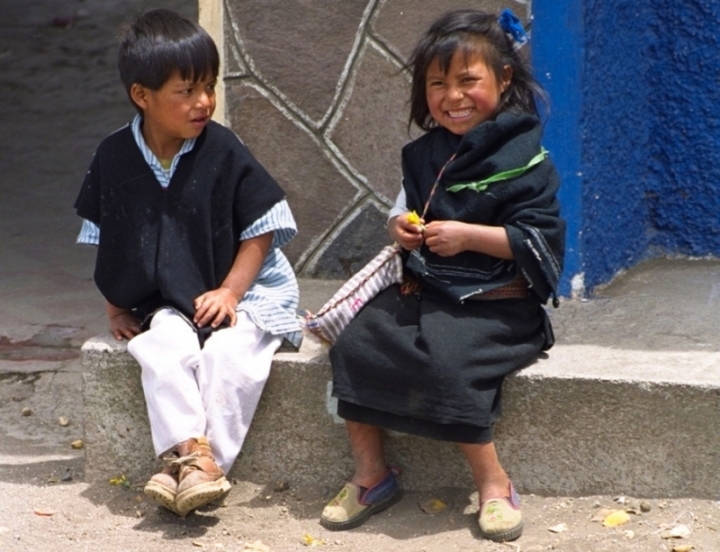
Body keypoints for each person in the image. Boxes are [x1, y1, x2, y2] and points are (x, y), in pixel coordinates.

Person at [319, 8, 565, 542]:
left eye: (467, 81)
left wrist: (468, 236)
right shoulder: (427, 154)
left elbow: (539, 239)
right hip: (427, 291)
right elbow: (403, 204)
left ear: (502, 79)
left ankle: (495, 485)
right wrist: (399, 229)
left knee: (449, 363)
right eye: (438, 84)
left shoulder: (526, 157)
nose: (452, 96)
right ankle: (371, 476)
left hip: (498, 303)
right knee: (354, 344)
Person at [74, 9, 301, 517]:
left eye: (210, 86)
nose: (204, 103)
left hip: (247, 289)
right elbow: (107, 238)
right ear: (142, 96)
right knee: (160, 347)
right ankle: (193, 458)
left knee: (229, 356)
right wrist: (116, 309)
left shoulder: (223, 149)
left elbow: (263, 226)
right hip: (172, 297)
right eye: (187, 91)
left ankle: (194, 463)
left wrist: (231, 293)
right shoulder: (114, 158)